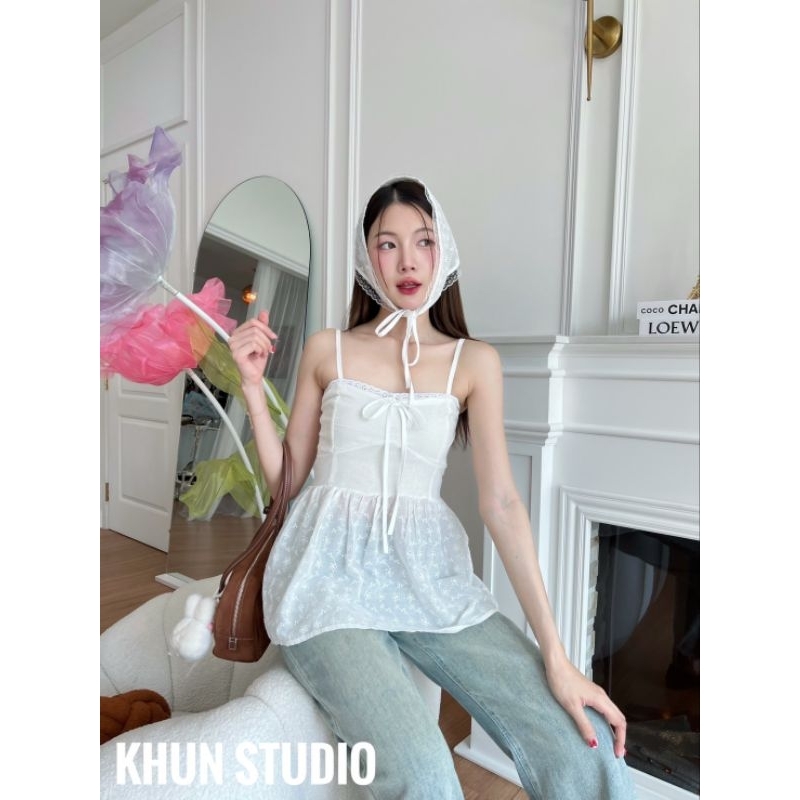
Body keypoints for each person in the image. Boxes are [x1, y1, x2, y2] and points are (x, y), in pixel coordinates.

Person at [228, 177, 635, 800]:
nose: (408, 261)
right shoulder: (327, 350)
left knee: (585, 742)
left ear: (444, 249)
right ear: (368, 257)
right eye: (388, 244)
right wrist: (254, 390)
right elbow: (288, 483)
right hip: (325, 581)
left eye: (423, 241)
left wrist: (557, 656)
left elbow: (502, 503)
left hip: (426, 576)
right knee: (422, 774)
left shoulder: (474, 362)